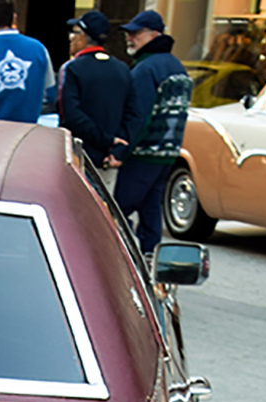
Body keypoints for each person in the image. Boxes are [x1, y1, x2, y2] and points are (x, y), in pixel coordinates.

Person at [112, 9, 192, 252]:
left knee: (116, 212)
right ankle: (150, 261)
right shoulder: (178, 68)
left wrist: (120, 151)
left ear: (154, 35)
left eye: (135, 33)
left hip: (143, 153)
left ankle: (120, 261)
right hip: (167, 154)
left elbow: (139, 116)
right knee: (150, 209)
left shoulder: (145, 70)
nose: (129, 38)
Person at [59, 10, 131, 170]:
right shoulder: (123, 69)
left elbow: (71, 115)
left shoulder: (72, 68)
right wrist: (117, 148)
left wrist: (105, 139)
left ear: (83, 37)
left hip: (79, 156)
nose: (71, 37)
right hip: (110, 158)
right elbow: (132, 114)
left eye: (75, 32)